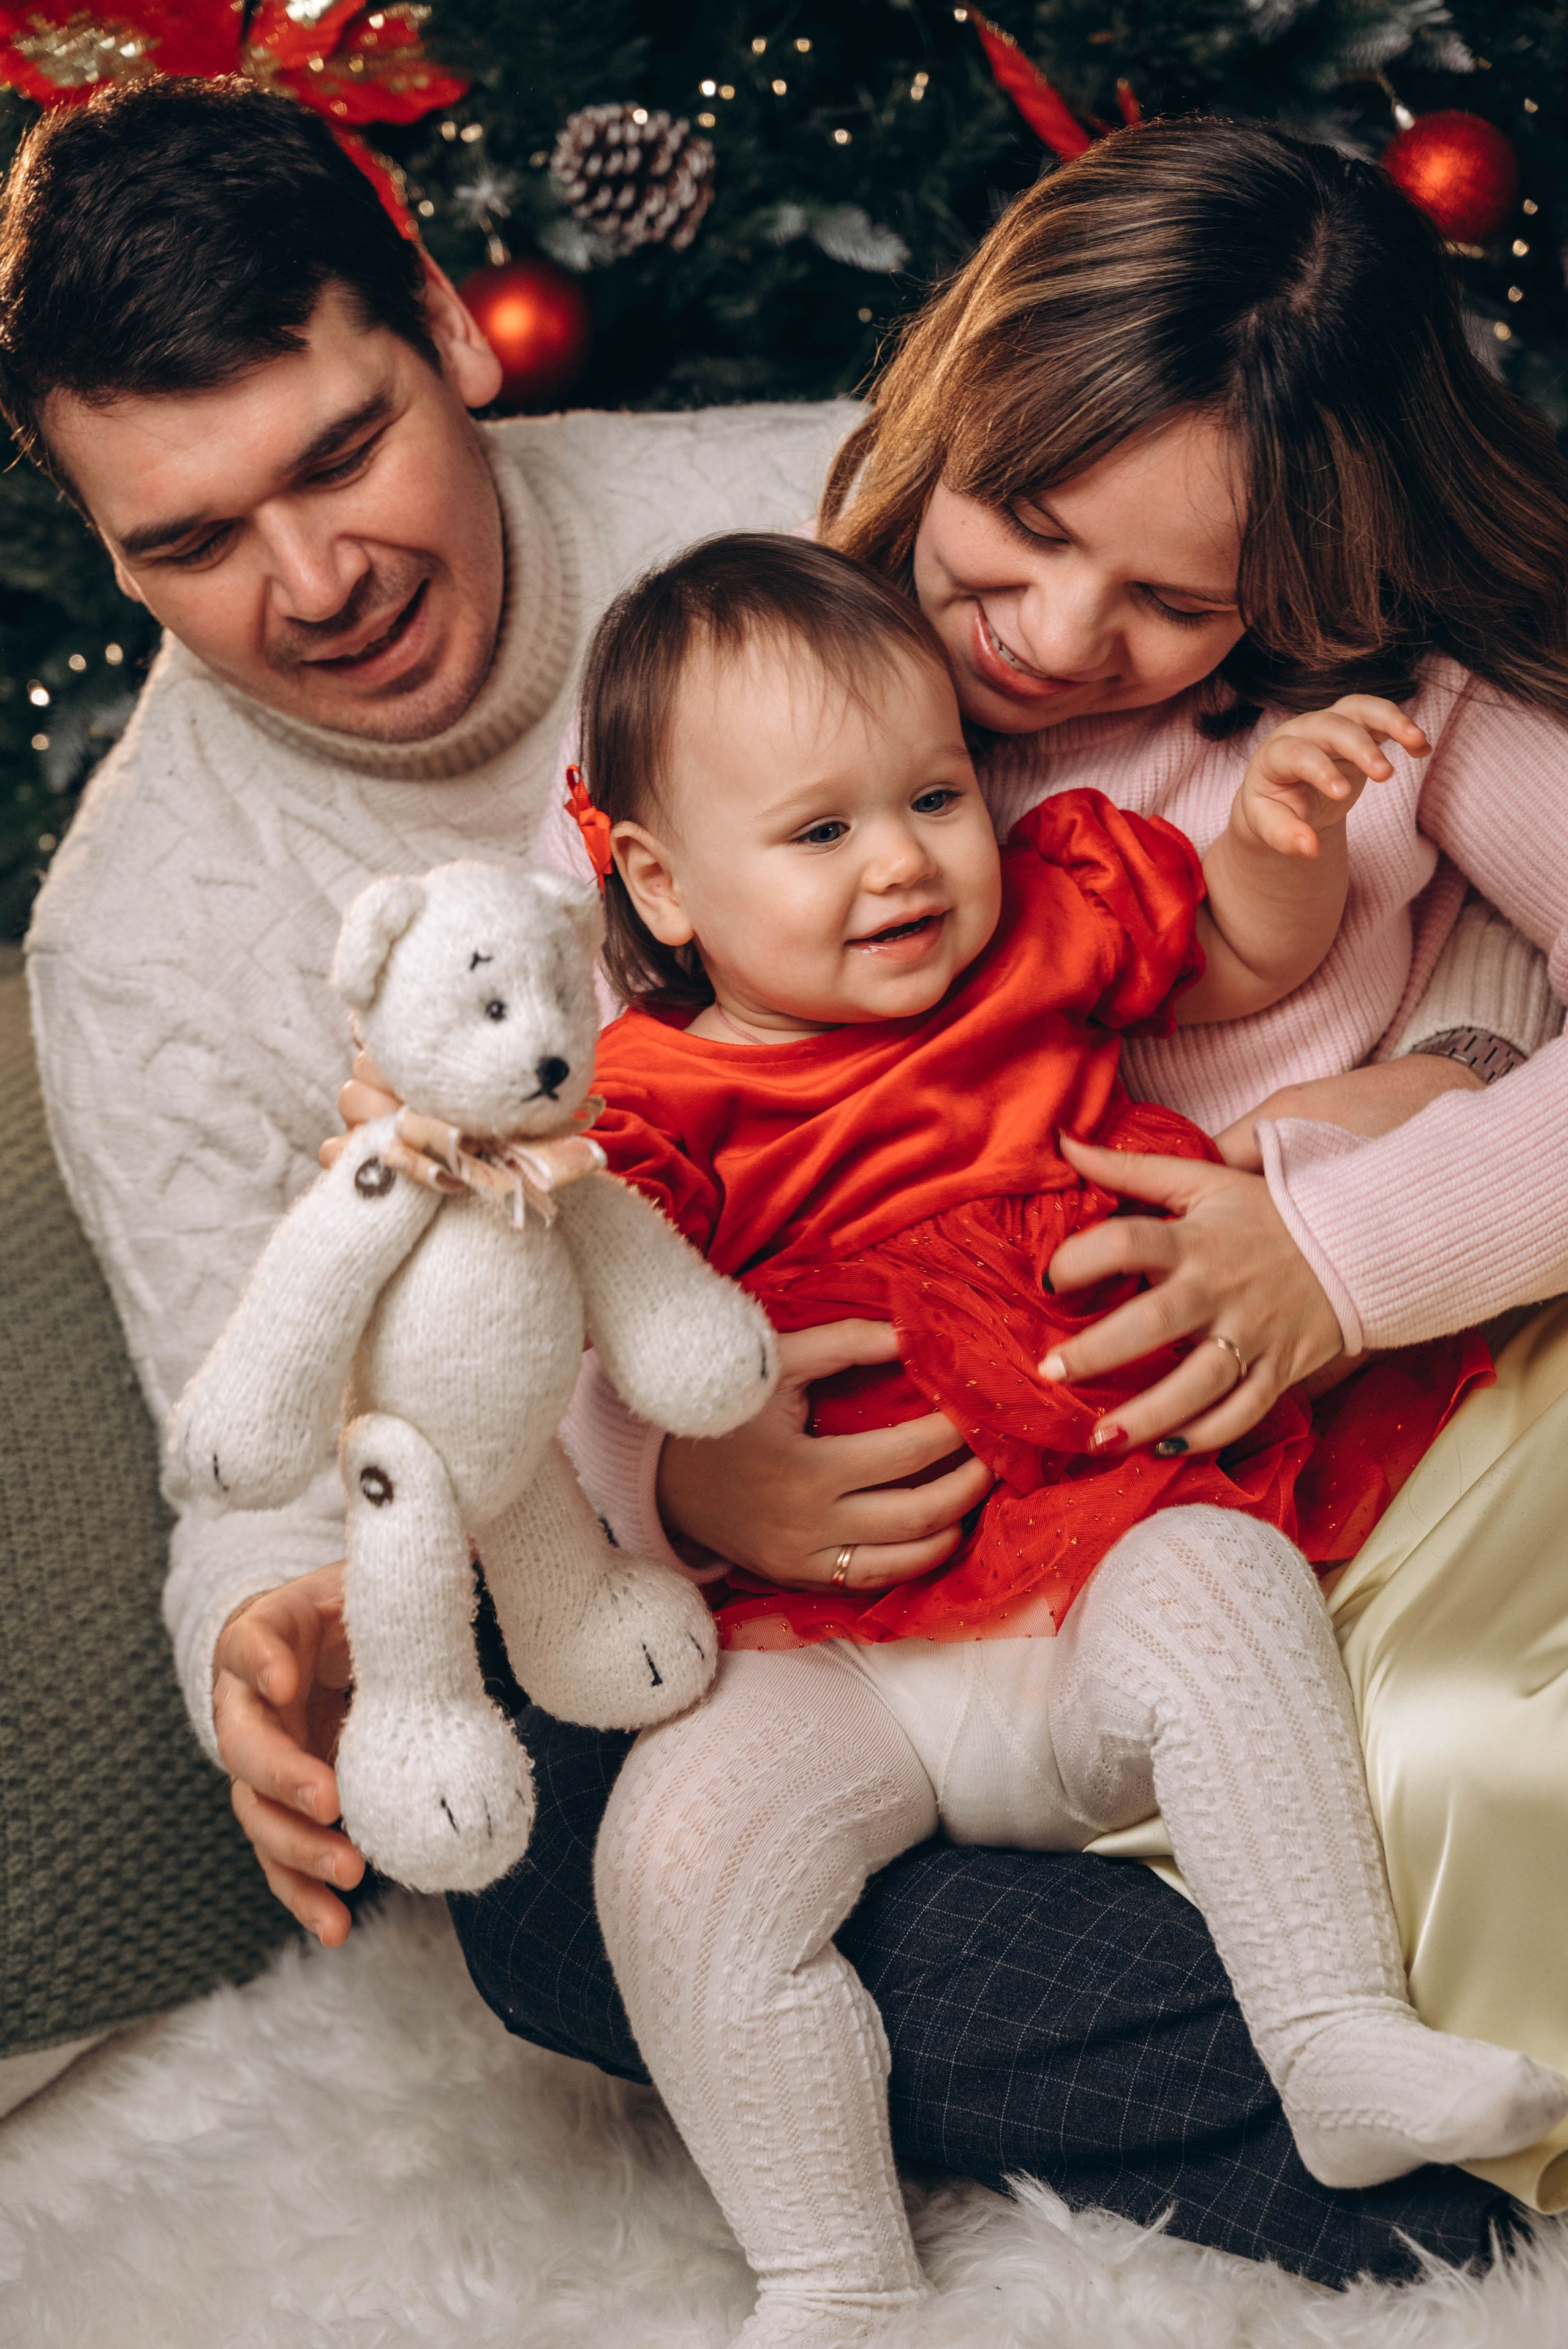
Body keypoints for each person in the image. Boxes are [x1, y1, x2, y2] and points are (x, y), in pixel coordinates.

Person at [0, 80, 1553, 2284]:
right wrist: (304, 1621)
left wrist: (1430, 1095)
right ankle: (1359, 2106)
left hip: (1132, 1406)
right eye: (186, 542)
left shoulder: (874, 502)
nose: (311, 579)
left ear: (446, 319)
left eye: (339, 457)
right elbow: (256, 1451)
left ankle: (1359, 1998)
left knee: (1224, 1621)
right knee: (559, 1890)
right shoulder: (137, 937)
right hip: (665, 1539)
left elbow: (1289, 813)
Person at [563, 528, 1563, 2345]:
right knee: (669, 1850)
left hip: (1096, 1566)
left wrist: (1277, 831)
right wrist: (663, 1443)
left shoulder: (1039, 921)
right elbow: (587, 1347)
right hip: (836, 1646)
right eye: (819, 833)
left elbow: (1249, 958)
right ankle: (832, 2268)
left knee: (1228, 1586)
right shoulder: (641, 1106)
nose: (903, 862)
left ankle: (1333, 2037)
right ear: (662, 880)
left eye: (934, 793)